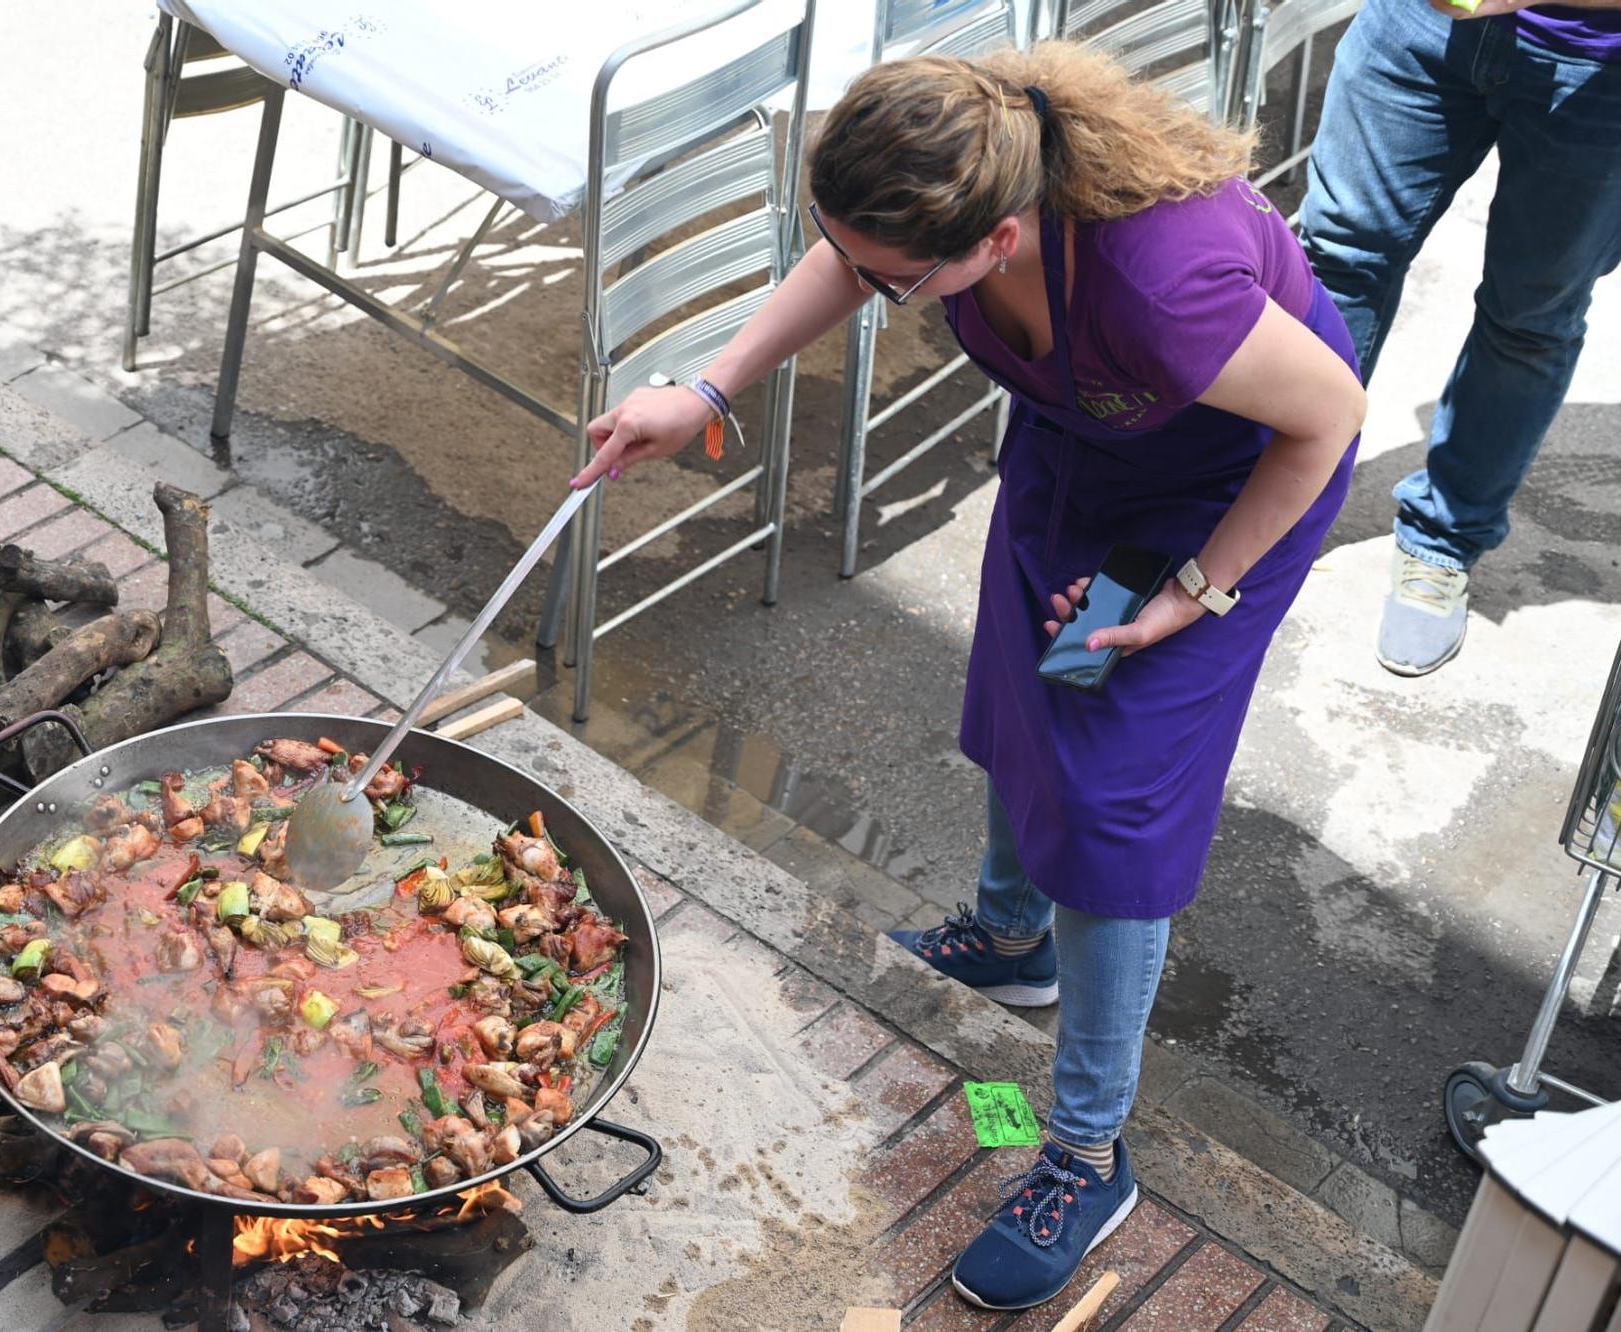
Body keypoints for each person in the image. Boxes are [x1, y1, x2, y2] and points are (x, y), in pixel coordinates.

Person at [569, 45, 1366, 1310]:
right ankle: (1006, 940)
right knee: (1019, 687)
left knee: (1111, 809)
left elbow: (1327, 422)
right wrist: (706, 383)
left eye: (897, 287)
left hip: (1231, 500)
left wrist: (1191, 593)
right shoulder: (952, 172)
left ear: (996, 241)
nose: (874, 293)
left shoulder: (1163, 287)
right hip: (1081, 441)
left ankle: (1087, 1154)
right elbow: (853, 251)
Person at [1300, 0, 1621, 677]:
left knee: (1531, 317)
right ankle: (1270, 498)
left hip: (1599, 66)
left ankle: (1441, 540)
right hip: (1418, 25)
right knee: (1335, 258)